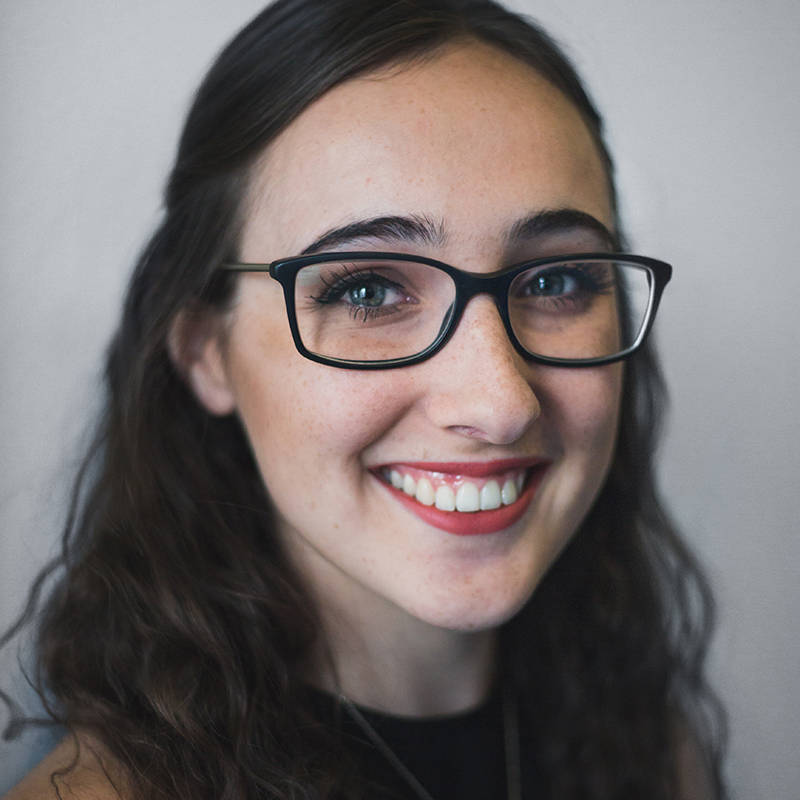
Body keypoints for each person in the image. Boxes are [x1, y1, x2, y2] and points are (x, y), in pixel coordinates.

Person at [3, 0, 725, 798]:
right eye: (370, 290)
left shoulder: (654, 760)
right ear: (207, 352)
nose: (498, 403)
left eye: (557, 280)